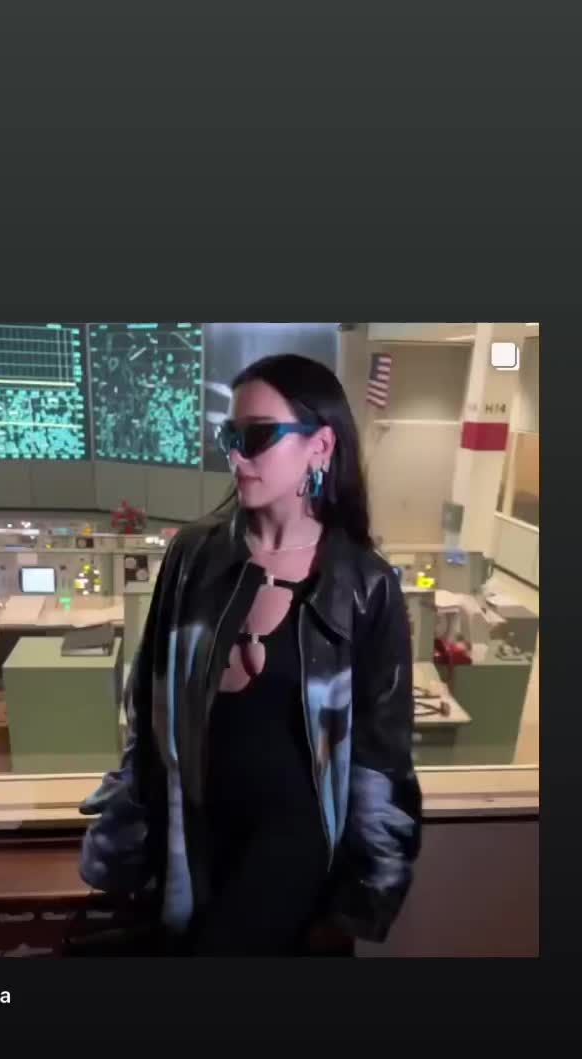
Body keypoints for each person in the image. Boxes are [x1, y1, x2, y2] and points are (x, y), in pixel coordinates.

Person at [79, 353, 422, 956]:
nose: (236, 458)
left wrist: (364, 894)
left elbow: (380, 758)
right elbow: (148, 709)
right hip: (193, 834)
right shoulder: (191, 555)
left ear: (321, 445)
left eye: (258, 436)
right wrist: (127, 838)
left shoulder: (365, 585)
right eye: (229, 437)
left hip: (294, 839)